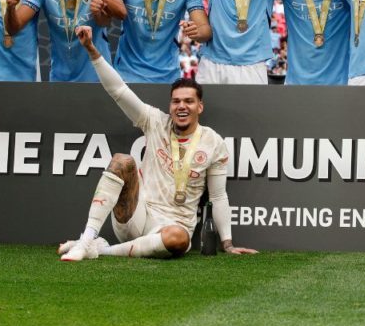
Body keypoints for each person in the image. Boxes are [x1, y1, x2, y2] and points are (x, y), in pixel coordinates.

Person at [57, 26, 256, 261]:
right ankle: (87, 239)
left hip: (173, 227)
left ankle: (100, 250)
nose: (182, 106)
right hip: (136, 214)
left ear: (199, 107)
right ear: (170, 106)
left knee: (180, 240)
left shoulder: (213, 142)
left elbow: (219, 196)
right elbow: (118, 90)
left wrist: (228, 243)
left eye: (189, 102)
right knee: (122, 161)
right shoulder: (154, 121)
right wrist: (92, 50)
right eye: (176, 102)